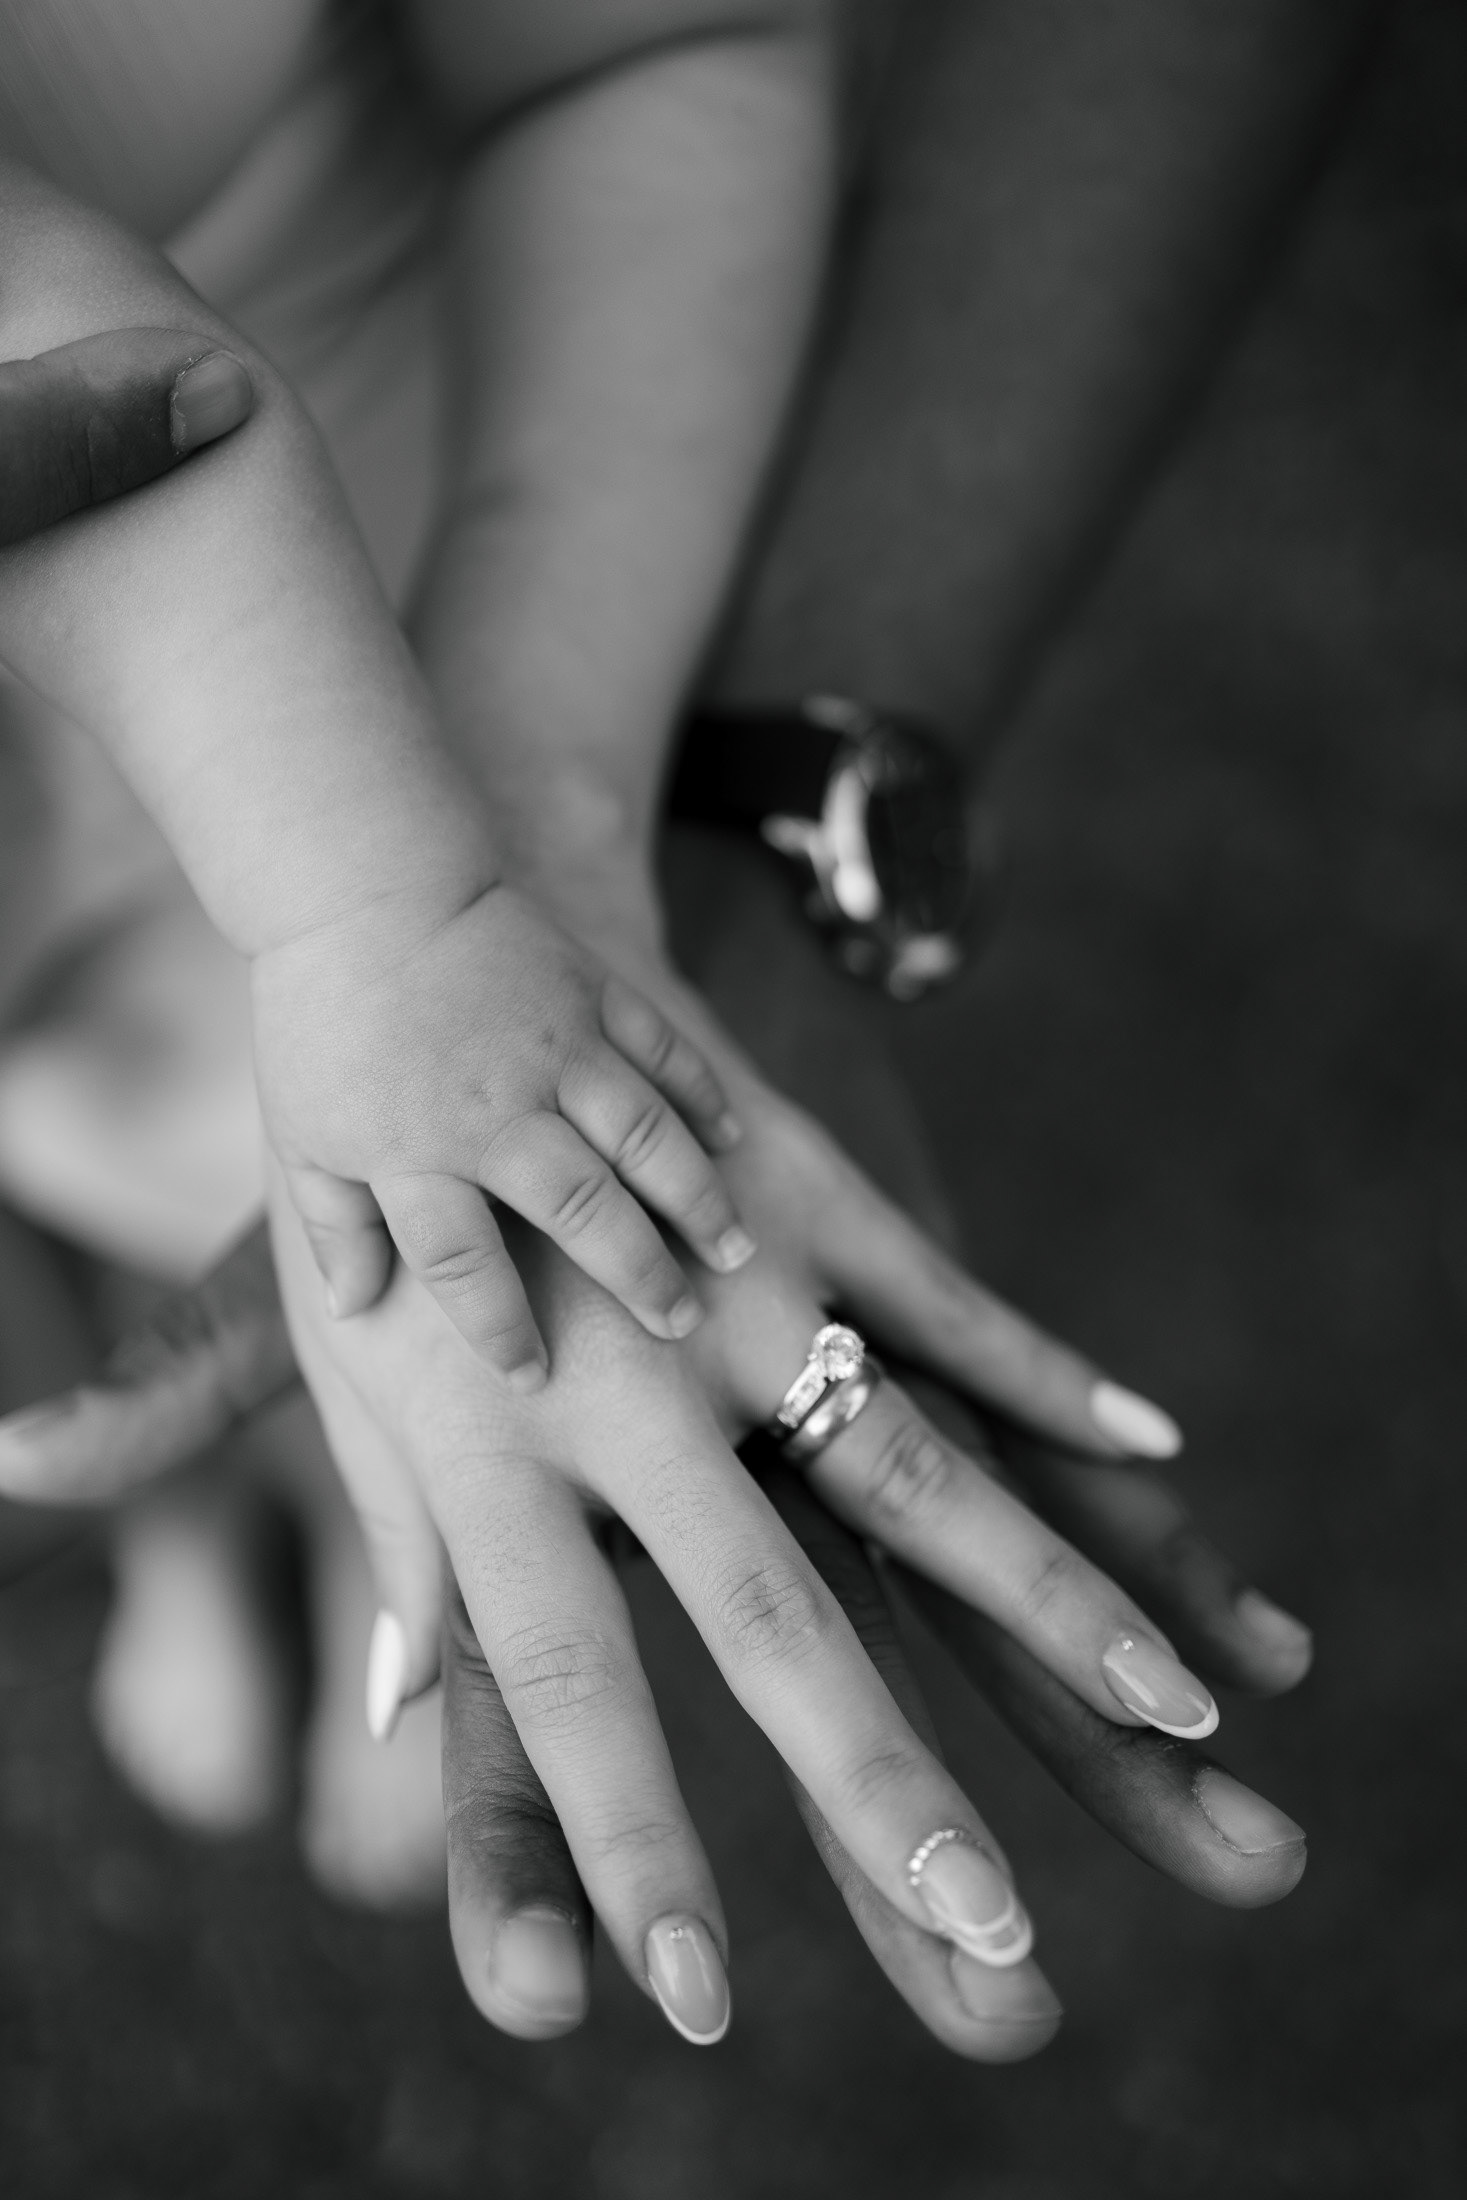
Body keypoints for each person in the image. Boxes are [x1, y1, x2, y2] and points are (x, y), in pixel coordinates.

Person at [0, 0, 1325, 2053]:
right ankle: (182, 1487)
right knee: (67, 1286)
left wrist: (422, 930)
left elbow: (106, 406)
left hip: (337, 675)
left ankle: (351, 1485)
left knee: (379, 1241)